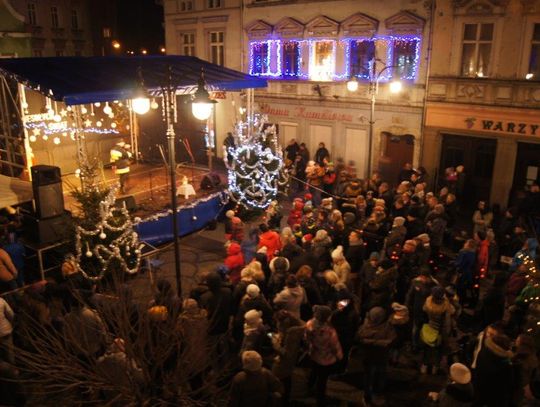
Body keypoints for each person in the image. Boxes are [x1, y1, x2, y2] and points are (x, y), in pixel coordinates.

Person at [356, 306, 397, 405]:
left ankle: (367, 397)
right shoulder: (387, 327)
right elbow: (392, 339)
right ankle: (377, 394)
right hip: (381, 356)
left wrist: (369, 342)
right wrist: (381, 342)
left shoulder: (365, 326)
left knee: (368, 376)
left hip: (368, 355)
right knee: (380, 374)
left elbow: (359, 338)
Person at [305, 305, 343, 407]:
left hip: (314, 353)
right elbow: (334, 346)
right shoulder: (330, 331)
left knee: (313, 372)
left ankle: (309, 388)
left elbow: (307, 338)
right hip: (326, 358)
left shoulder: (309, 324)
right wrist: (339, 356)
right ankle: (320, 400)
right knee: (322, 380)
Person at [271, 310, 305, 405]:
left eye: (278, 322)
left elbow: (287, 354)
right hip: (287, 363)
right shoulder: (291, 330)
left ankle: (282, 401)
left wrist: (276, 345)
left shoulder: (292, 334)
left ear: (283, 323)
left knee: (281, 380)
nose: (277, 324)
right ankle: (285, 398)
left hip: (283, 364)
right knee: (286, 379)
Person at [473, 333, 514, 407]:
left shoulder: (483, 351)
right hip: (495, 399)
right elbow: (507, 384)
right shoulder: (504, 364)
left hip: (478, 390)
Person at [0, 296, 14, 364]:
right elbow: (10, 314)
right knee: (9, 352)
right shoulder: (1, 301)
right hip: (5, 331)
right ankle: (14, 370)